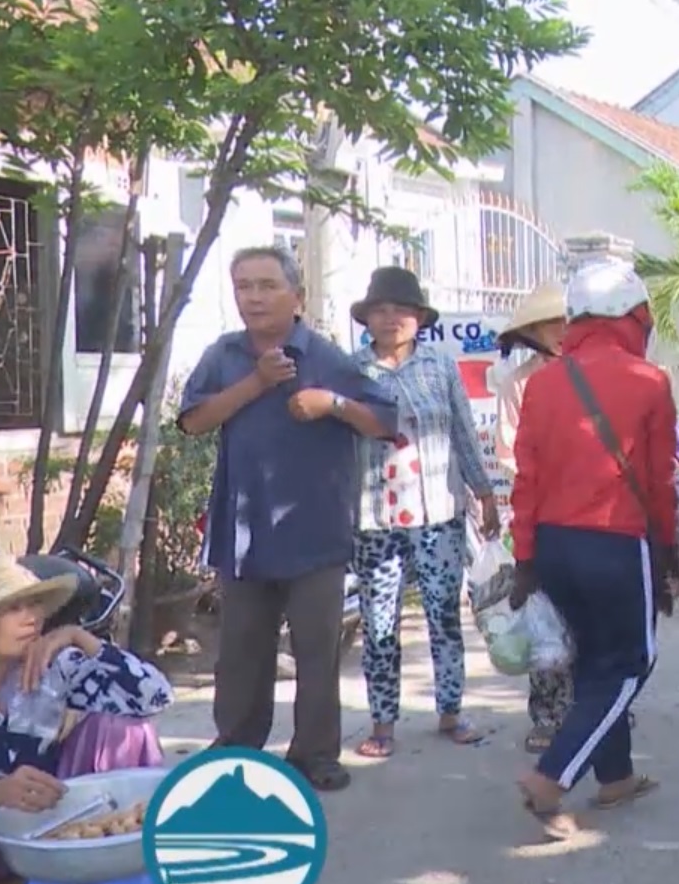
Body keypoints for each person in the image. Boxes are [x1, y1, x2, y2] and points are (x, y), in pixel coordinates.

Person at [179, 246, 396, 793]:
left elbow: (383, 422)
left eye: (267, 285)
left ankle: (314, 754)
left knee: (316, 653)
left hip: (314, 534)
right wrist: (256, 383)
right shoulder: (224, 355)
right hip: (244, 533)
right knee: (241, 654)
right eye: (244, 286)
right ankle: (237, 749)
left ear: (297, 296)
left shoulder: (326, 358)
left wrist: (333, 404)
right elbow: (195, 422)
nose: (253, 297)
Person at [509, 257, 679, 840]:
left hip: (554, 546)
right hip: (615, 541)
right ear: (634, 316)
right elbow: (658, 482)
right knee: (632, 662)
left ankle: (617, 777)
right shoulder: (649, 381)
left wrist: (525, 555)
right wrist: (667, 551)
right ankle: (551, 778)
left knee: (594, 661)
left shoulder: (542, 382)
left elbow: (525, 478)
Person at [0, 553, 172, 884]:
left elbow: (154, 698)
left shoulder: (52, 663)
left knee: (125, 729)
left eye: (33, 604)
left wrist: (80, 638)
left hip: (50, 817)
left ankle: (98, 865)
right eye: (12, 608)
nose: (31, 617)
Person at [347, 267, 500, 759]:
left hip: (438, 512)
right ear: (367, 318)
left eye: (401, 309)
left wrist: (486, 493)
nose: (391, 318)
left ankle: (451, 711)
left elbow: (463, 432)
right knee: (378, 621)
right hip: (375, 518)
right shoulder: (351, 371)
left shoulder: (440, 365)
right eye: (381, 309)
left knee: (443, 616)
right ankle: (383, 722)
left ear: (418, 318)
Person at [490, 282, 574, 754]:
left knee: (591, 618)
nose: (562, 332)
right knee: (545, 621)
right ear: (533, 331)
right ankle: (547, 715)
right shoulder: (518, 384)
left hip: (591, 516)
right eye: (552, 324)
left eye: (569, 322)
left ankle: (595, 708)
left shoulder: (593, 375)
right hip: (540, 517)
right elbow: (508, 454)